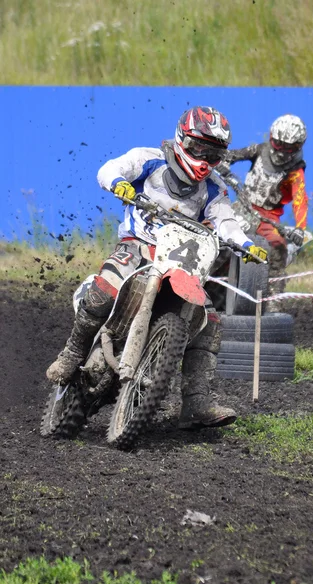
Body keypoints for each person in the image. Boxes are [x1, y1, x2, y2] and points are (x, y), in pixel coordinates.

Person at [46, 106, 268, 429]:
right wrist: (119, 183)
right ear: (182, 140)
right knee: (105, 286)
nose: (205, 160)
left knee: (210, 319)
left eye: (214, 154)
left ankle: (196, 401)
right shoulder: (149, 159)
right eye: (199, 149)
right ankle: (71, 353)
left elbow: (225, 221)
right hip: (137, 247)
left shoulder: (214, 189)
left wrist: (245, 243)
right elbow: (109, 168)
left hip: (180, 263)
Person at [218, 114, 308, 311]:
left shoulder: (295, 171)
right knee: (218, 241)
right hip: (242, 207)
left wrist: (300, 228)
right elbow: (234, 154)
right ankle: (201, 282)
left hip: (268, 218)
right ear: (271, 139)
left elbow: (300, 200)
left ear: (298, 146)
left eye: (289, 147)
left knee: (278, 250)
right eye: (279, 144)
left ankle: (273, 301)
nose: (283, 151)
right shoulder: (260, 150)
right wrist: (223, 161)